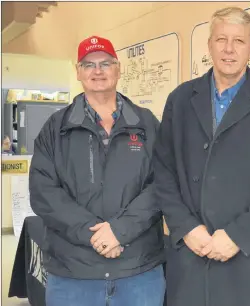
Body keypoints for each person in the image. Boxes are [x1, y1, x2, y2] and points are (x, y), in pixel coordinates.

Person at [153, 6, 250, 306]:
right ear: (209, 45)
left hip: (247, 262)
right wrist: (186, 227)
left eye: (238, 41)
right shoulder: (180, 100)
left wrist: (237, 236)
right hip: (189, 258)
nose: (229, 49)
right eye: (221, 39)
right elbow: (163, 171)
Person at [29, 35, 165, 306]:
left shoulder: (147, 124)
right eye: (89, 64)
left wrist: (120, 230)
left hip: (138, 273)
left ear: (118, 68)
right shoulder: (55, 129)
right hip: (72, 276)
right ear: (78, 72)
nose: (98, 71)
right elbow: (43, 192)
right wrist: (94, 235)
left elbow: (163, 184)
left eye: (105, 63)